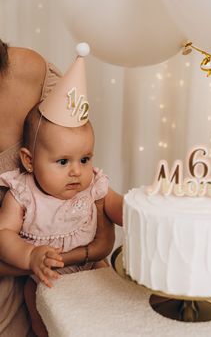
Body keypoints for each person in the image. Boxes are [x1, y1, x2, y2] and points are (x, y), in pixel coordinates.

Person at [0, 40, 123, 336]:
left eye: (84, 158)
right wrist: (30, 256)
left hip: (92, 269)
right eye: (64, 161)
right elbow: (3, 233)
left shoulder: (89, 182)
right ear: (28, 161)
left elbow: (116, 205)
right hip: (42, 277)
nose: (77, 171)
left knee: (110, 310)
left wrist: (143, 212)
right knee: (42, 314)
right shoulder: (23, 192)